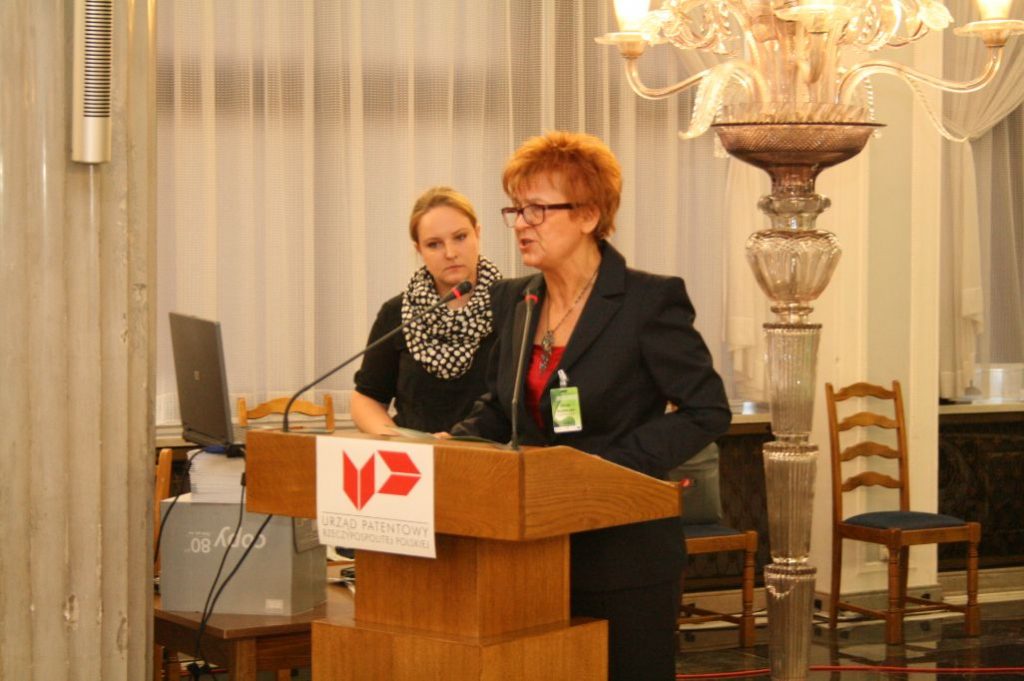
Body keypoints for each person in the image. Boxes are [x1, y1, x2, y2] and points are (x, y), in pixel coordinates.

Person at [452, 132, 731, 680]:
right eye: (516, 209)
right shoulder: (516, 299)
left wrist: (607, 467)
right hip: (532, 550)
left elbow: (707, 409)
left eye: (537, 209)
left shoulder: (648, 301)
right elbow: (502, 407)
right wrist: (453, 442)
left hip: (623, 551)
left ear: (588, 215)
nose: (521, 224)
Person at [351, 186, 501, 435]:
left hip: (491, 455)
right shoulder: (397, 313)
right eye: (434, 244)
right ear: (419, 250)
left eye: (460, 237)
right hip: (415, 455)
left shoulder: (515, 305)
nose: (450, 253)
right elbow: (367, 399)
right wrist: (401, 441)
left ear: (477, 234)